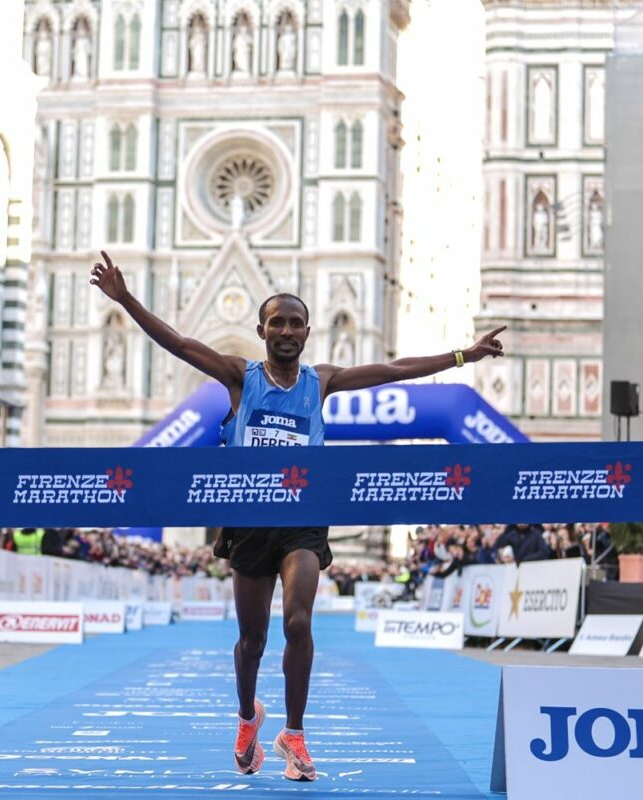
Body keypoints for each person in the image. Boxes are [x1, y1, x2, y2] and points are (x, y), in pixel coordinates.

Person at [90, 249, 505, 781]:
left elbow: (394, 370)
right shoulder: (239, 377)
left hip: (303, 521)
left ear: (308, 332)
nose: (286, 330)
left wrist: (463, 356)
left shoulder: (321, 381)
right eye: (276, 322)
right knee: (252, 641)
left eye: (295, 323)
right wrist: (125, 299)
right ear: (261, 330)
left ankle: (295, 733)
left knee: (300, 621)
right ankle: (247, 718)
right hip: (247, 524)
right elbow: (178, 343)